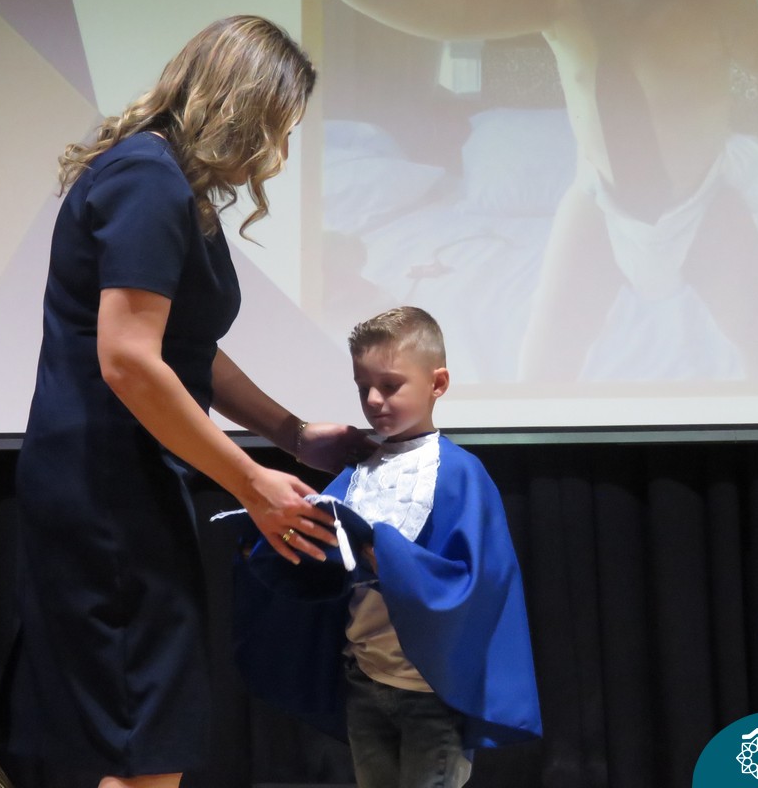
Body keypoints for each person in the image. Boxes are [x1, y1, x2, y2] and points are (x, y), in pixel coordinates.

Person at [2, 15, 374, 788]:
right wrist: (254, 484)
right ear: (244, 106)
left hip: (121, 481)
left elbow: (183, 347)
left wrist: (291, 433)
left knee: (145, 739)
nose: (279, 149)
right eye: (280, 125)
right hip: (105, 487)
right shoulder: (149, 180)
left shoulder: (164, 181)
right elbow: (131, 362)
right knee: (145, 740)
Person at [320, 0, 758, 382]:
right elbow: (459, 8)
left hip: (704, 208)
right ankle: (537, 425)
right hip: (599, 209)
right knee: (547, 357)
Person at [230, 307, 542, 788]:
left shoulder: (461, 474)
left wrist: (385, 553)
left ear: (438, 384)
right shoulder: (358, 472)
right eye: (364, 387)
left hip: (430, 692)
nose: (374, 400)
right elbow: (321, 547)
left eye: (391, 385)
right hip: (365, 680)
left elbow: (477, 584)